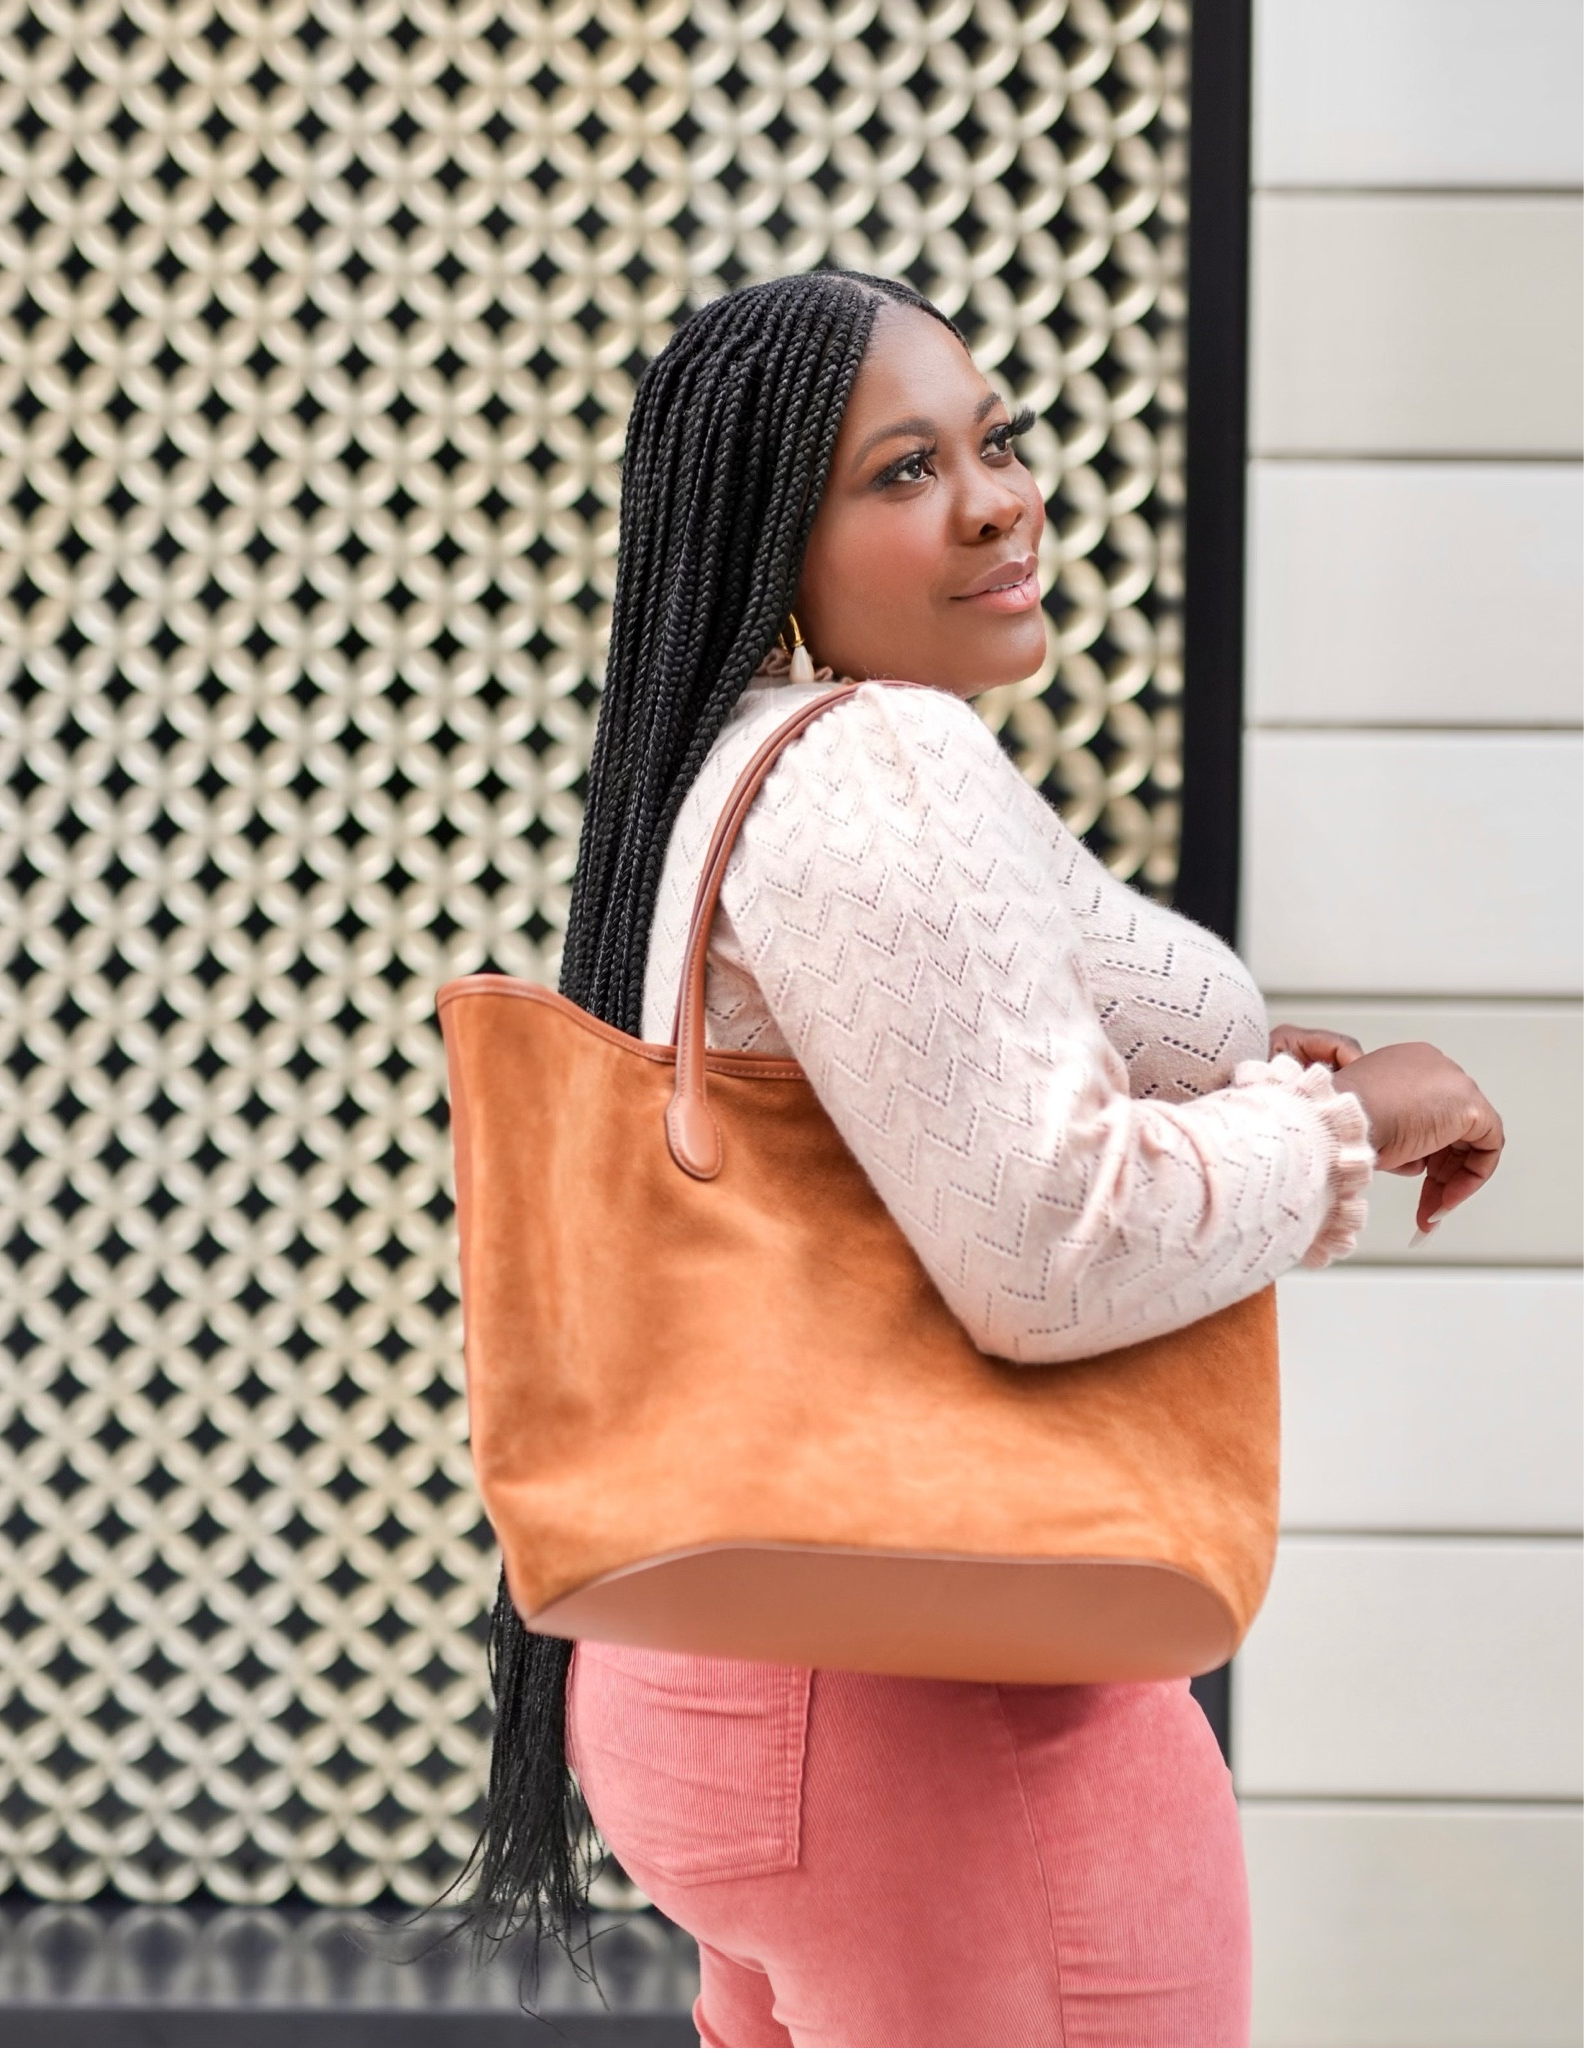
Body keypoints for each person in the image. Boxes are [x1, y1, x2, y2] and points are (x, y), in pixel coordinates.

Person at [465, 272, 1505, 2048]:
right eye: (902, 471)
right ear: (772, 538)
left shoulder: (732, 763)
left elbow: (1028, 1043)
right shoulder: (881, 765)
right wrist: (1346, 1124)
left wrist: (1248, 1066)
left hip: (725, 1675)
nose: (1001, 496)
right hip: (938, 1705)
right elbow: (1049, 1243)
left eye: (999, 440)